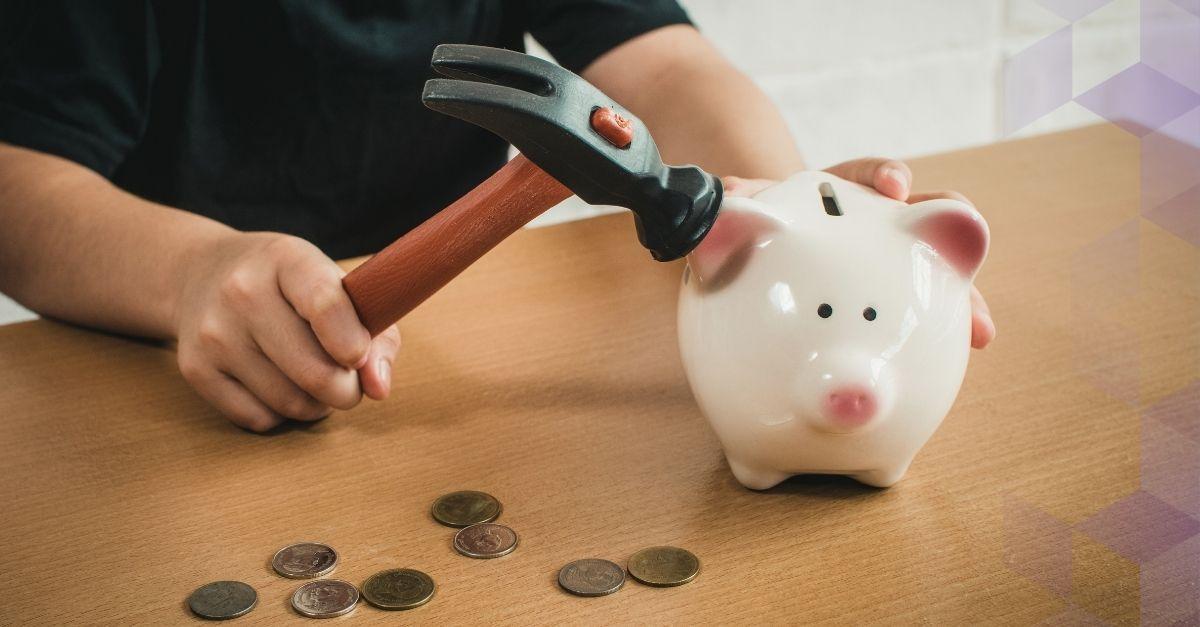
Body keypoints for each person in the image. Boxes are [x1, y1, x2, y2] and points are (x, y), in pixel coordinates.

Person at [0, 1, 994, 432]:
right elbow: (20, 189)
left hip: (461, 346)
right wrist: (188, 273)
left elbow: (663, 63)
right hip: (161, 360)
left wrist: (796, 231)